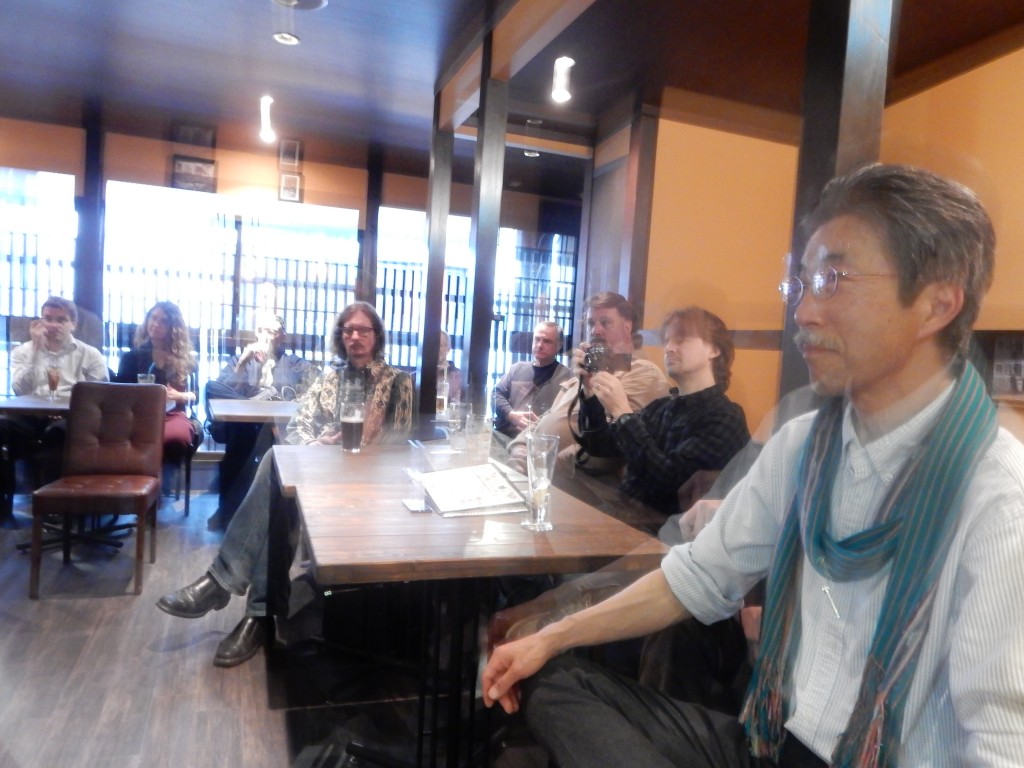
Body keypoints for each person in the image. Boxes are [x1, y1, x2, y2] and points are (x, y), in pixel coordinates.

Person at [482, 164, 1024, 767]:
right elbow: (697, 576)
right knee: (553, 681)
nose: (806, 313)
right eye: (804, 286)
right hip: (771, 743)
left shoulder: (999, 497)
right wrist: (549, 635)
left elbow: (1004, 742)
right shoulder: (804, 448)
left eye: (834, 279)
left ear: (934, 303)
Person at [156, 302, 413, 668]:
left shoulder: (398, 382)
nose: (354, 336)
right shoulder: (329, 377)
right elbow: (299, 426)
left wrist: (354, 445)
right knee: (280, 471)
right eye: (348, 330)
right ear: (341, 337)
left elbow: (398, 441)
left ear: (377, 336)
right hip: (322, 469)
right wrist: (318, 444)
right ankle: (257, 614)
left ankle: (229, 589)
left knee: (277, 468)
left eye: (363, 330)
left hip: (368, 481)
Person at [582, 306, 750, 518]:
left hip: (659, 537)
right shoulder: (662, 407)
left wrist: (623, 413)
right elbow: (599, 447)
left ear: (714, 349)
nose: (669, 348)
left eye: (681, 340)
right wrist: (589, 393)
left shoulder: (726, 418)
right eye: (667, 340)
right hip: (622, 518)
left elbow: (669, 484)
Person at [504, 292, 671, 475]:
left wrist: (542, 468)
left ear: (627, 327)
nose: (595, 330)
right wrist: (519, 456)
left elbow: (608, 447)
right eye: (592, 323)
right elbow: (546, 419)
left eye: (605, 322)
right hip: (534, 471)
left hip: (568, 484)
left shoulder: (642, 373)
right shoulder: (584, 373)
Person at [204, 312, 317, 530]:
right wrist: (242, 365)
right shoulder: (241, 358)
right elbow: (219, 390)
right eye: (262, 331)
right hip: (244, 424)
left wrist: (281, 400)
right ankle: (228, 510)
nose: (265, 336)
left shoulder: (295, 363)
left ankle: (257, 515)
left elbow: (315, 389)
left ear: (281, 336)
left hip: (277, 426)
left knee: (242, 442)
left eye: (272, 332)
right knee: (211, 387)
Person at [4, 296, 109, 486]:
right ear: (40, 321)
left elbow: (100, 395)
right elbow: (20, 389)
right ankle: (4, 506)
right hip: (32, 415)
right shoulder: (22, 352)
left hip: (71, 417)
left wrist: (65, 410)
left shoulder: (90, 355)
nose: (53, 325)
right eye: (48, 318)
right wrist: (36, 350)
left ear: (73, 324)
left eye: (61, 320)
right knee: (3, 426)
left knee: (57, 433)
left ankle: (53, 504)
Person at [114, 301, 198, 464]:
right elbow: (119, 394)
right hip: (138, 415)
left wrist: (179, 396)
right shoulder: (131, 357)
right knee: (133, 436)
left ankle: (162, 487)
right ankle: (140, 483)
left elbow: (197, 397)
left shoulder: (186, 361)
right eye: (153, 318)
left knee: (174, 439)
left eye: (163, 321)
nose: (155, 324)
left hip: (172, 415)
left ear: (174, 328)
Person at [493, 321, 573, 439]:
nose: (540, 345)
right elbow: (496, 395)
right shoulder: (517, 369)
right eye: (537, 339)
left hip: (541, 441)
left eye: (547, 341)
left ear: (559, 345)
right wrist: (511, 414)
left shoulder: (568, 378)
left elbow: (567, 417)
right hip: (505, 436)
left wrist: (539, 426)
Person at [438, 329, 462, 404]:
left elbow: (466, 404)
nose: (434, 348)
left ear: (448, 349)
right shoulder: (415, 377)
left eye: (439, 345)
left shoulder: (460, 376)